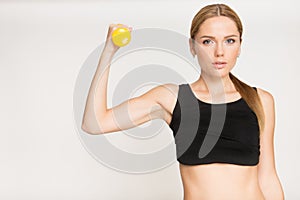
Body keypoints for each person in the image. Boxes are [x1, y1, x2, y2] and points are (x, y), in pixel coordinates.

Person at [81, 3, 284, 200]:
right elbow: (94, 123)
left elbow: (268, 178)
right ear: (192, 46)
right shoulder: (171, 98)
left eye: (230, 41)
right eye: (208, 41)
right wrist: (109, 51)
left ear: (240, 46)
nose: (219, 52)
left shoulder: (260, 100)